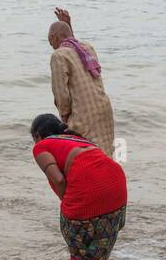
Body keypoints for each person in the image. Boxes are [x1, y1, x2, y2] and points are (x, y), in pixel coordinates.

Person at [31, 113, 128, 260]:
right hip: (117, 191)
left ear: (38, 135)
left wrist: (68, 202)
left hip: (87, 195)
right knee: (99, 257)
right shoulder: (79, 140)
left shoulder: (42, 146)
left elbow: (57, 179)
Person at [48, 8, 115, 154]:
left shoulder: (58, 55)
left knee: (86, 157)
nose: (51, 45)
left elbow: (61, 94)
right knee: (105, 154)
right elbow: (74, 47)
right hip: (104, 109)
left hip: (82, 114)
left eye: (50, 40)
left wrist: (65, 118)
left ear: (53, 37)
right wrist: (68, 27)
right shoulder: (87, 48)